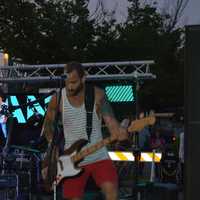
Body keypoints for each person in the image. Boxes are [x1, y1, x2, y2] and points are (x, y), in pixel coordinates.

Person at [41, 61, 128, 200]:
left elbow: (112, 124)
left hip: (99, 156)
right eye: (67, 82)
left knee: (112, 193)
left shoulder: (98, 95)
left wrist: (120, 131)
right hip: (71, 160)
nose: (70, 87)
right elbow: (48, 125)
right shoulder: (57, 99)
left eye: (74, 82)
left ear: (83, 78)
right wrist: (53, 145)